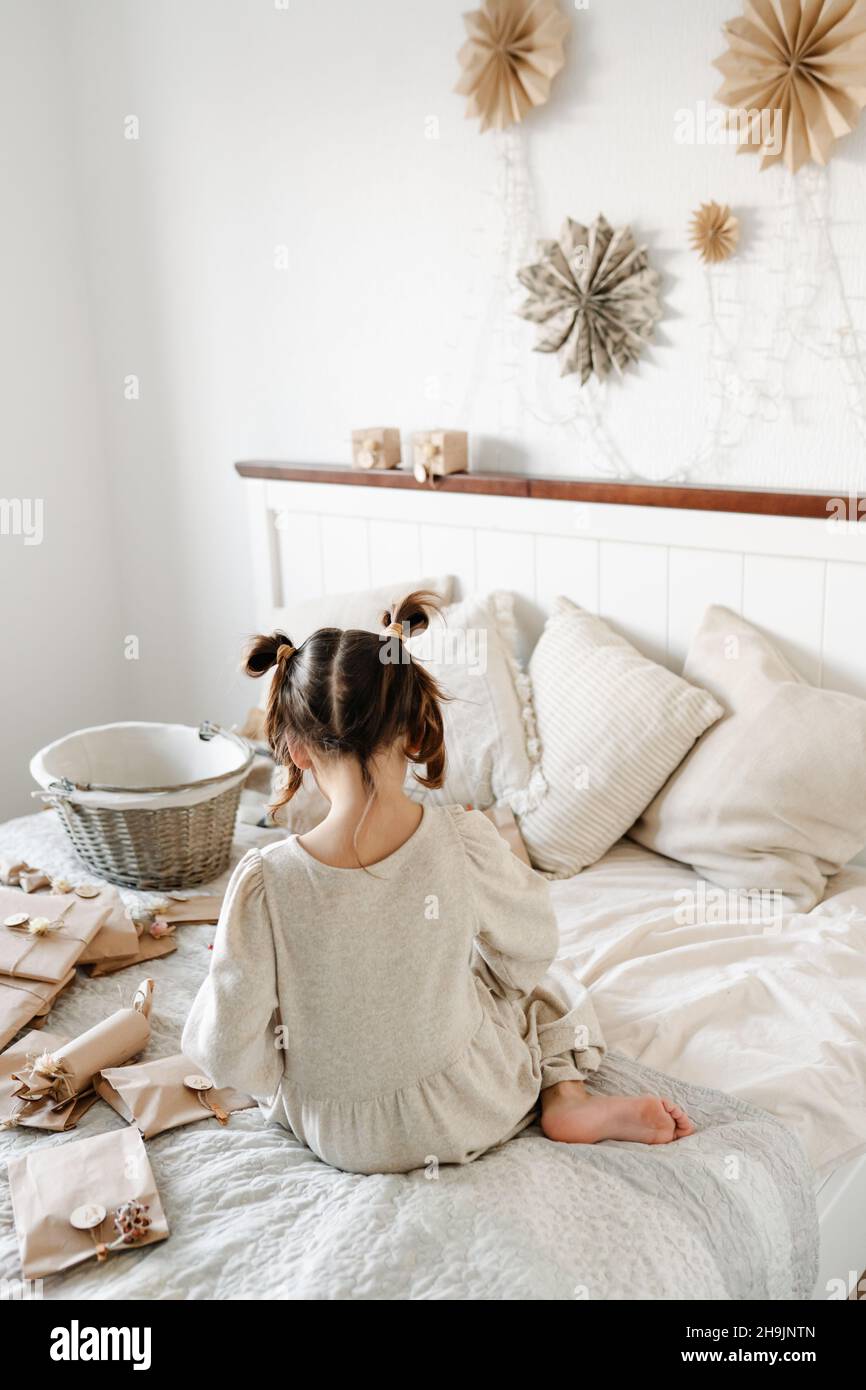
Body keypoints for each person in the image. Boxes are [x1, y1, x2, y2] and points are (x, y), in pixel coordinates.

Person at [183, 591, 693, 1174]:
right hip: (463, 1107)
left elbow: (224, 1051)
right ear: (415, 730)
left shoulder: (263, 882)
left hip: (338, 1131)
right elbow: (530, 951)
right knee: (548, 992)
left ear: (295, 750)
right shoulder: (464, 839)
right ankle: (567, 1099)